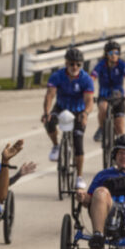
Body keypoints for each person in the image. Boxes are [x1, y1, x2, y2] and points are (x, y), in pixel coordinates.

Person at [42, 47, 95, 189]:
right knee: (49, 121)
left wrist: (85, 113)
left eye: (78, 64)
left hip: (78, 110)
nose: (75, 67)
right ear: (66, 63)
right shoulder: (57, 76)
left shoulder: (86, 79)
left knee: (78, 141)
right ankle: (56, 146)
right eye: (71, 64)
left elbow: (89, 101)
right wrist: (46, 112)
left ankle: (79, 176)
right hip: (61, 107)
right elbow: (50, 95)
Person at [91, 40, 125, 142]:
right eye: (111, 53)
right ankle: (102, 128)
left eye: (116, 53)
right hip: (104, 95)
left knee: (120, 128)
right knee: (103, 107)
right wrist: (88, 91)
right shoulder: (101, 65)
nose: (114, 55)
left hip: (118, 96)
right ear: (106, 54)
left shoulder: (122, 64)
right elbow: (92, 78)